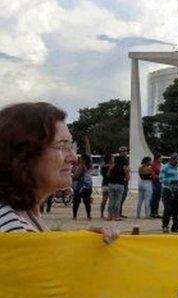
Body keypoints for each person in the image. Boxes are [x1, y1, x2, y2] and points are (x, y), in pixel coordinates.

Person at [0, 102, 115, 242]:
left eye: (70, 146)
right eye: (62, 145)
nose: (73, 157)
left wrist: (79, 243)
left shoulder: (25, 215)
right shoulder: (13, 233)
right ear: (25, 155)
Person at [159, 153, 178, 233]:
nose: (176, 161)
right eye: (175, 159)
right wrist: (171, 181)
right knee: (168, 208)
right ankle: (165, 226)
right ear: (171, 159)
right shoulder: (165, 167)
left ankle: (175, 226)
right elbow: (161, 179)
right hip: (168, 190)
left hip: (177, 190)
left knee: (177, 209)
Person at [71, 156, 93, 220]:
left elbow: (77, 175)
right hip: (88, 186)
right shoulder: (90, 167)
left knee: (76, 201)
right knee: (87, 202)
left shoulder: (81, 166)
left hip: (79, 186)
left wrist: (72, 176)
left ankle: (74, 216)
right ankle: (88, 216)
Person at [149, 153, 163, 218]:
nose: (161, 159)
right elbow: (153, 175)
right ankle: (152, 212)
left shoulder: (161, 165)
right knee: (154, 196)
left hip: (160, 181)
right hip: (155, 181)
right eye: (160, 157)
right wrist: (159, 176)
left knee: (158, 197)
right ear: (157, 158)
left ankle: (156, 212)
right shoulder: (152, 165)